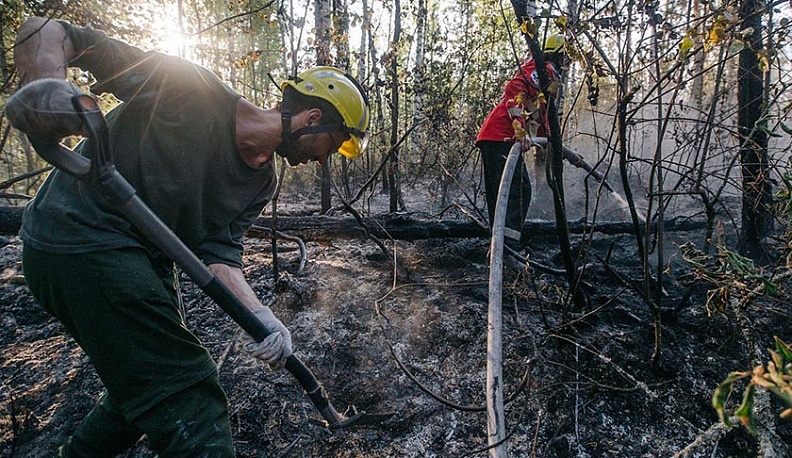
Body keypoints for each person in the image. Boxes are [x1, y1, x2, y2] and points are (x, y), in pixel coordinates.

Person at [5, 16, 369, 457]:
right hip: (77, 237)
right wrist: (46, 87)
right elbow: (50, 30)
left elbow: (220, 257)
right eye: (331, 145)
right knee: (188, 389)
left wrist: (264, 319)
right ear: (312, 118)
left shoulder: (260, 183)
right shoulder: (191, 89)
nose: (325, 159)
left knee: (139, 388)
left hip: (141, 262)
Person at [475, 34, 565, 266]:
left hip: (496, 137)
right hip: (500, 136)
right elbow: (513, 90)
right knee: (518, 191)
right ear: (559, 54)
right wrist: (520, 132)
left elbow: (537, 114)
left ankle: (499, 250)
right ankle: (508, 251)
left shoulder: (544, 75)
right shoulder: (543, 68)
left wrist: (553, 146)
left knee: (504, 195)